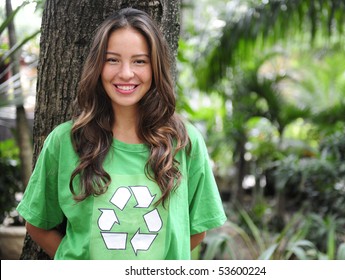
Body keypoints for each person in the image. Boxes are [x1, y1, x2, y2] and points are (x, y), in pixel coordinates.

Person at [16, 7, 226, 260]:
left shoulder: (184, 142)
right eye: (112, 59)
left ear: (156, 67)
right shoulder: (64, 142)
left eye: (140, 61)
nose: (126, 73)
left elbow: (195, 230)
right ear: (98, 66)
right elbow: (37, 224)